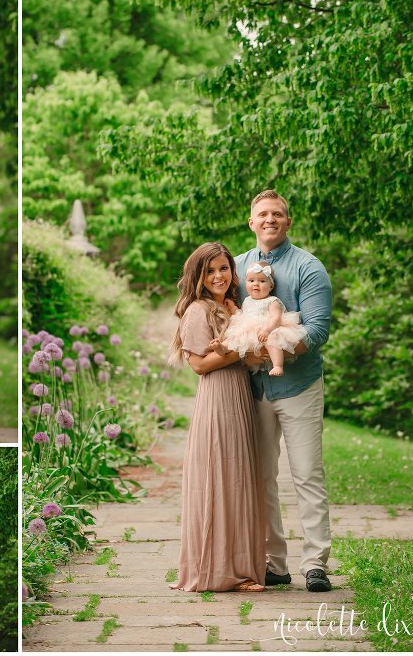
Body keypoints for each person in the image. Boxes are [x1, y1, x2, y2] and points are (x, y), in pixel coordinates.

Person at [234, 189, 333, 593]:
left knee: (307, 474)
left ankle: (316, 564)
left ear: (288, 222)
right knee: (262, 478)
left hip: (300, 386)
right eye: (263, 214)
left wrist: (270, 349)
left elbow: (318, 329)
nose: (270, 219)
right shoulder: (235, 266)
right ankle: (274, 562)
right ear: (252, 222)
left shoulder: (309, 268)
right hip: (252, 389)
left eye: (278, 214)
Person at [167, 242, 266, 593]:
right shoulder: (199, 310)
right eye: (210, 271)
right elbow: (198, 365)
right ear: (199, 276)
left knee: (239, 477)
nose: (219, 275)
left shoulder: (233, 306)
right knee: (221, 475)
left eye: (223, 268)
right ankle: (220, 570)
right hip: (217, 396)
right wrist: (241, 349)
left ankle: (240, 567)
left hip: (239, 393)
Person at [219, 261, 307, 376]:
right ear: (246, 283)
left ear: (271, 286)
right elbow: (242, 315)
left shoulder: (272, 301)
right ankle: (222, 348)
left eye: (262, 281)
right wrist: (232, 307)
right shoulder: (247, 300)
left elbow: (276, 318)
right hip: (249, 331)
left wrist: (267, 330)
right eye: (251, 281)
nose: (256, 284)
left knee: (272, 341)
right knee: (234, 337)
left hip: (267, 329)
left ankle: (278, 365)